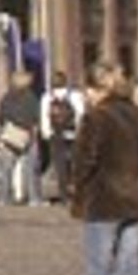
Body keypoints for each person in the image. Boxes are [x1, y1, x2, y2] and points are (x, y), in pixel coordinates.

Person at [68, 65, 138, 275]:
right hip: (135, 198)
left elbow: (84, 160)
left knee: (100, 270)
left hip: (104, 200)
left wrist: (76, 189)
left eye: (87, 90)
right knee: (131, 268)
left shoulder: (96, 118)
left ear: (98, 89)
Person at [0, 69, 44, 206]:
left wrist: (7, 125)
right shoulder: (31, 98)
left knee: (6, 169)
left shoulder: (6, 97)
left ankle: (3, 198)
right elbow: (36, 117)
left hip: (10, 135)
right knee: (31, 168)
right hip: (28, 134)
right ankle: (34, 198)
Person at [39, 70, 85, 203]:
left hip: (56, 135)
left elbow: (44, 117)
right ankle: (76, 190)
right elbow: (80, 114)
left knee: (60, 165)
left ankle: (64, 193)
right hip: (73, 134)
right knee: (75, 163)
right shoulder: (75, 95)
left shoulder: (47, 97)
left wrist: (47, 134)